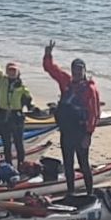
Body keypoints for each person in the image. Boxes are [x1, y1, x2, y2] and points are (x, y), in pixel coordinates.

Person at [43, 40, 101, 197]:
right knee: (68, 164)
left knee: (83, 164)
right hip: (66, 131)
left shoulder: (89, 88)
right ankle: (70, 192)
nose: (77, 72)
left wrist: (88, 134)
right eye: (75, 69)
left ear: (84, 71)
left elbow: (94, 113)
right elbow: (51, 69)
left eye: (80, 70)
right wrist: (48, 54)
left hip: (81, 132)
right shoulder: (66, 81)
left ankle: (90, 193)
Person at [0, 35, 34, 165]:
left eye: (14, 71)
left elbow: (29, 102)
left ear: (18, 73)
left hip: (16, 118)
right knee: (6, 144)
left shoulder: (23, 88)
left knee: (18, 143)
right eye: (10, 70)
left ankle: (22, 165)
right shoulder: (1, 80)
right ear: (7, 71)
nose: (11, 73)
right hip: (3, 116)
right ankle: (8, 166)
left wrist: (33, 108)